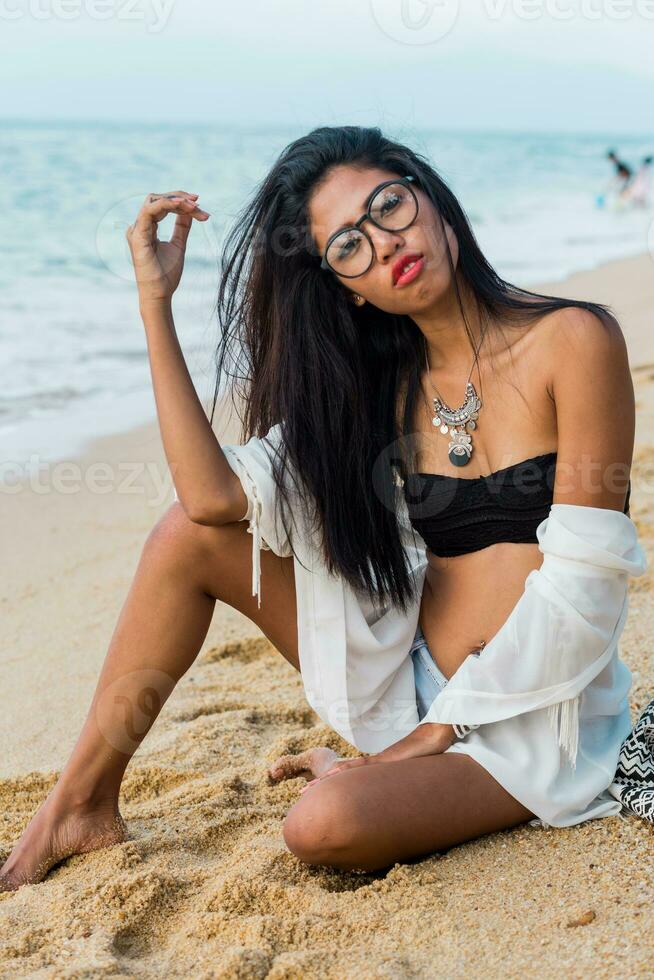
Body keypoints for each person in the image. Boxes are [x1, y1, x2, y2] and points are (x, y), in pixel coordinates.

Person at [1, 126, 647, 889]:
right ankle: (82, 803)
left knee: (321, 823)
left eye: (389, 206)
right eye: (348, 246)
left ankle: (389, 778)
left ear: (431, 200)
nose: (383, 243)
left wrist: (429, 740)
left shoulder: (572, 340)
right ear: (347, 286)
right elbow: (211, 501)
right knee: (186, 537)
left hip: (538, 718)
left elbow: (587, 593)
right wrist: (155, 304)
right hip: (410, 694)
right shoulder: (379, 389)